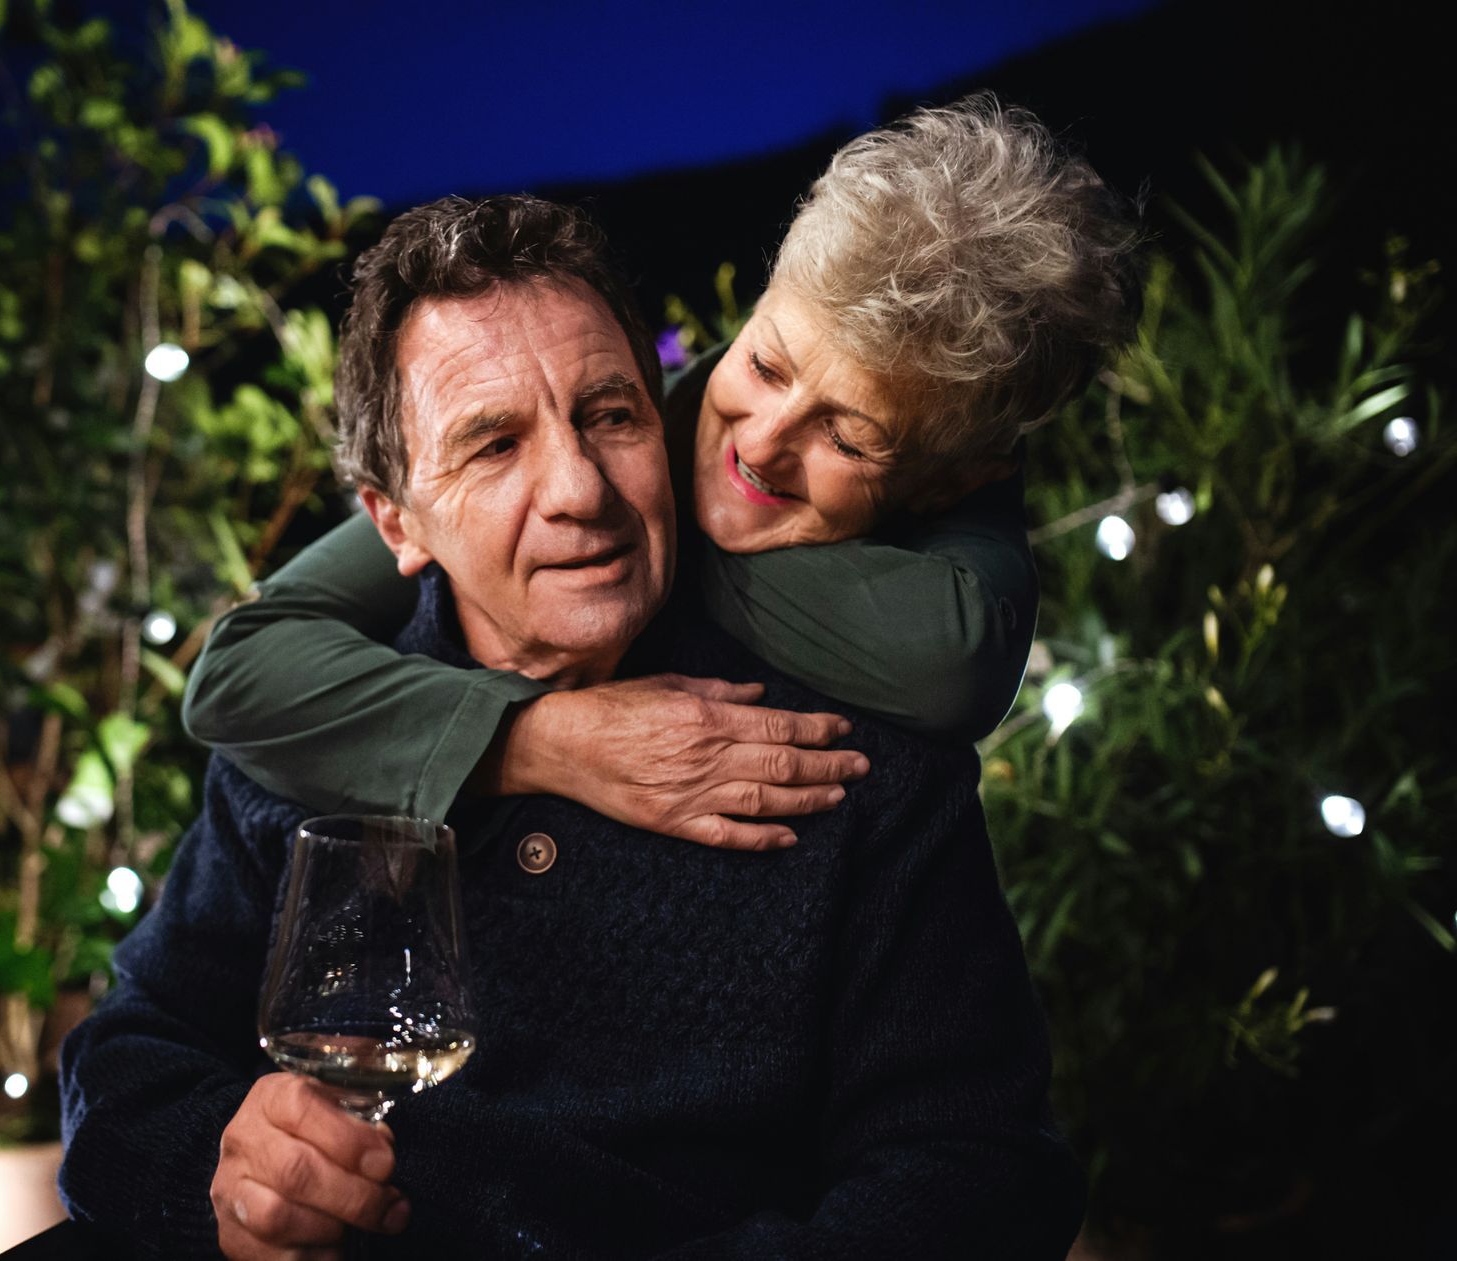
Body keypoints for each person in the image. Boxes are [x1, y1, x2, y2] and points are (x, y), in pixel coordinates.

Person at [59, 193, 1084, 1259]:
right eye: (494, 444)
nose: (580, 491)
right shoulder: (316, 734)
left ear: (666, 418)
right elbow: (127, 1058)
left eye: (610, 414)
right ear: (395, 522)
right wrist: (218, 1165)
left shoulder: (849, 764)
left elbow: (976, 1171)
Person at [181, 94, 1142, 850]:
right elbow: (242, 669)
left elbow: (957, 663)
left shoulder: (903, 727)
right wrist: (544, 740)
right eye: (762, 364)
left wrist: (646, 532)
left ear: (949, 482)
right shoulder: (631, 424)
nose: (760, 444)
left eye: (847, 438)